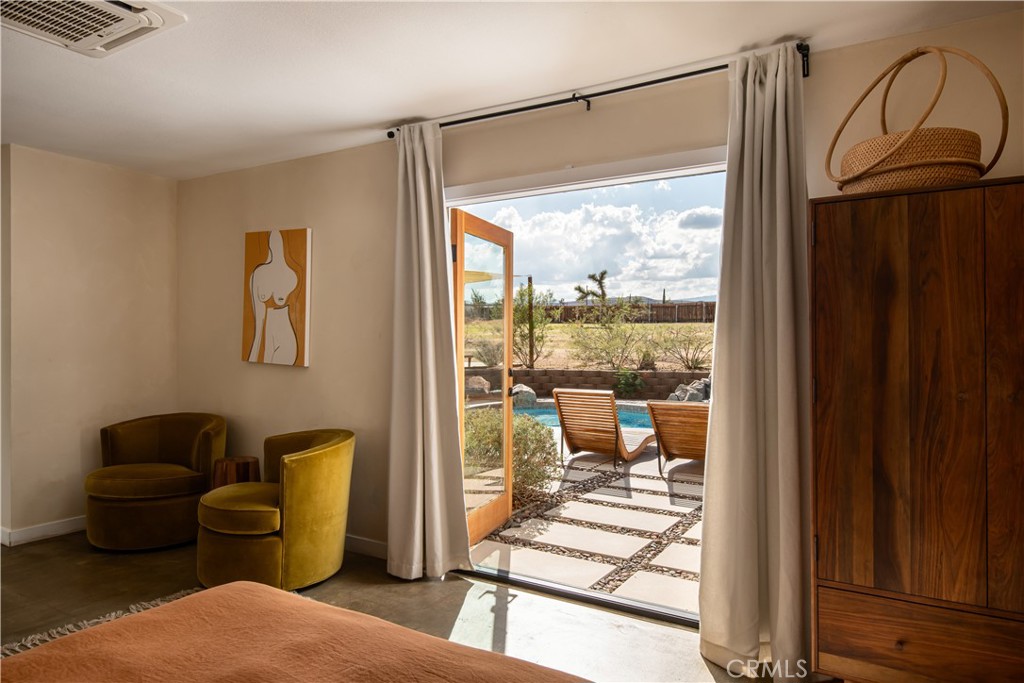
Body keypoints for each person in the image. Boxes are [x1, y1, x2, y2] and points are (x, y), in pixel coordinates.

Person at [248, 230, 299, 364]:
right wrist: (252, 357)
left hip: (286, 334)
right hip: (269, 332)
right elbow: (258, 319)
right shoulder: (259, 274)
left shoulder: (291, 276)